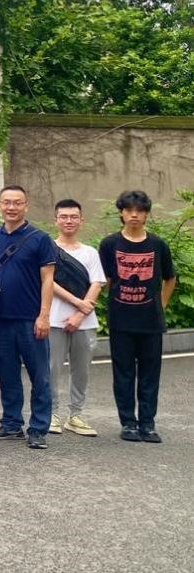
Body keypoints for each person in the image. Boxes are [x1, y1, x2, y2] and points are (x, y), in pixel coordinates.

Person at [99, 190, 176, 443]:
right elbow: (106, 280)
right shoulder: (109, 244)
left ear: (146, 215)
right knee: (123, 373)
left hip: (151, 321)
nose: (134, 215)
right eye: (129, 210)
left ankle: (148, 423)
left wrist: (161, 304)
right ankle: (128, 423)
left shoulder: (158, 245)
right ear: (121, 212)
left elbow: (169, 278)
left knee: (150, 374)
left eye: (140, 211)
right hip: (121, 320)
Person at [0, 185, 56, 449]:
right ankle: (11, 423)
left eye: (17, 202)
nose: (11, 207)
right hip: (1, 319)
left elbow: (48, 279)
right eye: (6, 202)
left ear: (26, 205)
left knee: (40, 377)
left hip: (31, 319)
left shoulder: (40, 238)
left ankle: (38, 428)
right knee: (7, 375)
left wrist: (44, 315)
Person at [48, 199, 107, 437]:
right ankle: (51, 414)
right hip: (53, 320)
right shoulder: (48, 249)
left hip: (85, 323)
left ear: (81, 220)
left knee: (81, 370)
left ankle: (76, 415)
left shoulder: (90, 252)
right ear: (56, 220)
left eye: (73, 216)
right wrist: (77, 303)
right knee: (50, 369)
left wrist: (80, 314)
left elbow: (97, 283)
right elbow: (47, 282)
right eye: (63, 216)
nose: (68, 221)